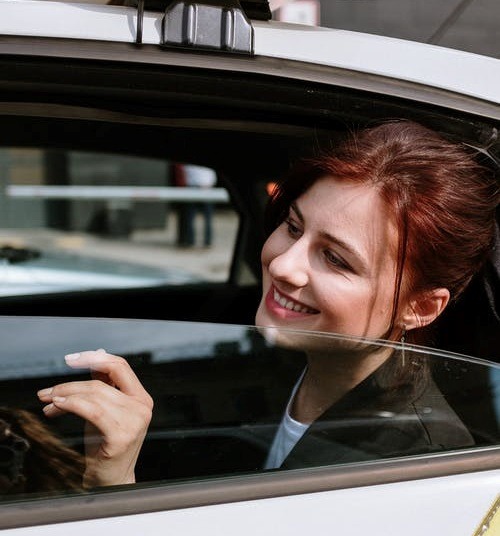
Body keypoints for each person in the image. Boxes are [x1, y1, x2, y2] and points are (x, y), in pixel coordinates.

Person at [37, 121, 499, 486]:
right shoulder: (273, 355)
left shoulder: (415, 465)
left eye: (336, 259)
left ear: (420, 307)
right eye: (295, 228)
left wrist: (115, 486)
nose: (284, 266)